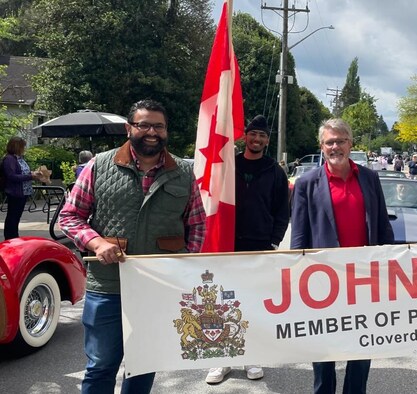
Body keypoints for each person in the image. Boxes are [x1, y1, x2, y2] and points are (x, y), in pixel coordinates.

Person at [58, 99, 206, 394]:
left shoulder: (185, 173)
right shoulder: (99, 165)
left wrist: (183, 268)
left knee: (143, 363)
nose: (152, 131)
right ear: (129, 128)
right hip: (109, 287)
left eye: (159, 126)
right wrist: (96, 242)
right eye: (144, 125)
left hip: (158, 288)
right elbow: (70, 216)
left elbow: (197, 225)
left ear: (166, 131)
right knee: (100, 365)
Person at [291, 118, 394, 394]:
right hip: (323, 280)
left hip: (364, 278)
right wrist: (298, 275)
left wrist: (391, 265)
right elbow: (299, 236)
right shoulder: (306, 183)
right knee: (323, 349)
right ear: (322, 147)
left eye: (340, 140)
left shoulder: (370, 178)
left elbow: (383, 225)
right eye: (329, 142)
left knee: (362, 346)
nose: (335, 146)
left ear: (350, 143)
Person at [205, 115, 289, 384]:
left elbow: (282, 211)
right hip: (226, 244)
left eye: (262, 136)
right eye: (253, 134)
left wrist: (273, 241)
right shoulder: (228, 166)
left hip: (259, 246)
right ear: (245, 136)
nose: (257, 140)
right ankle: (220, 359)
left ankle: (251, 355)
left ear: (267, 140)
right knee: (220, 303)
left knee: (251, 303)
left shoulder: (275, 171)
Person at [2, 137, 41, 240]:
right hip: (15, 191)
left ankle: (14, 236)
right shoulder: (9, 159)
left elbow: (22, 172)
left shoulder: (19, 158)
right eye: (23, 146)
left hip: (23, 191)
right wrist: (30, 176)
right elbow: (12, 176)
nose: (24, 149)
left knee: (16, 216)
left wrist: (32, 174)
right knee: (12, 216)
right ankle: (10, 237)